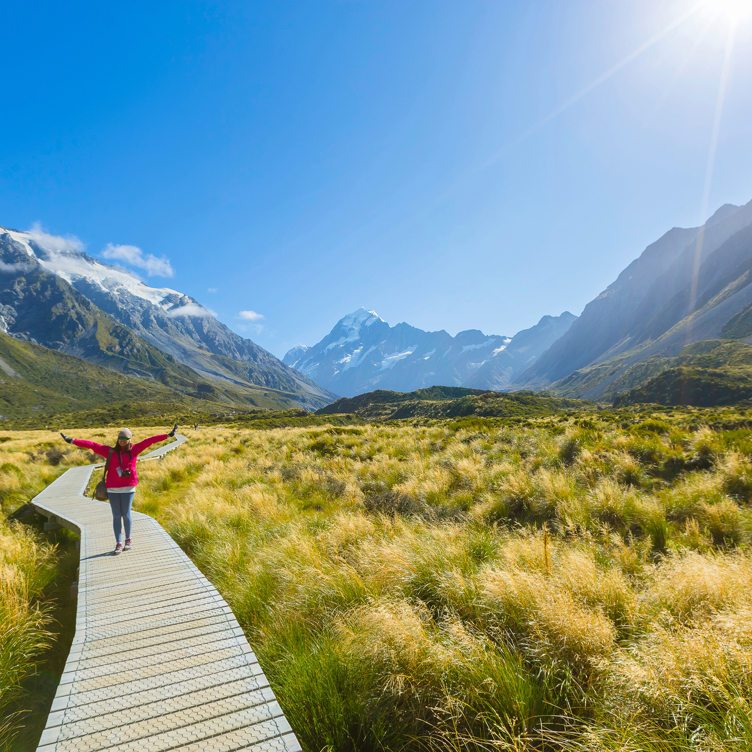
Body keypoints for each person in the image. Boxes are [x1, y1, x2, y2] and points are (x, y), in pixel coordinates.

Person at [60, 425, 178, 555]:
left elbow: (149, 441)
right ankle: (118, 543)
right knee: (116, 515)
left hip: (128, 487)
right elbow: (92, 445)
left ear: (129, 439)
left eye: (125, 438)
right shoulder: (109, 451)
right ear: (117, 438)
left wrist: (168, 435)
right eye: (120, 437)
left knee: (126, 514)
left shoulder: (134, 450)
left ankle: (128, 539)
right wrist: (72, 441)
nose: (122, 440)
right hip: (113, 488)